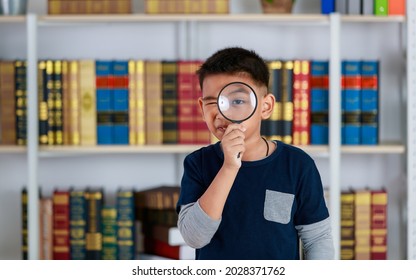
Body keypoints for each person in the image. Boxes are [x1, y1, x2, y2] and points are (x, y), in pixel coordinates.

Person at [176, 46, 334, 260]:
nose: (223, 112)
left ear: (266, 107)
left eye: (238, 101)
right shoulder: (198, 164)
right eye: (213, 102)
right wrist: (229, 167)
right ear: (201, 107)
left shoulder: (298, 165)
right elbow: (194, 237)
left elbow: (318, 239)